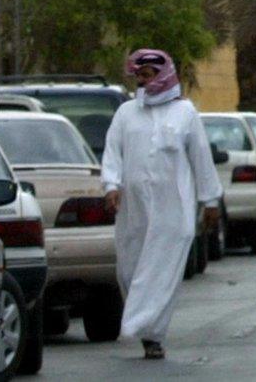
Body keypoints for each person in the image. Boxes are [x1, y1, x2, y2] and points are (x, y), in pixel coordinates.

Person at [102, 49, 223, 360]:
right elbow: (113, 152)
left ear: (165, 74)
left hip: (174, 208)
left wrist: (209, 201)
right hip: (134, 209)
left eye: (150, 75)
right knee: (131, 269)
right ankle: (142, 324)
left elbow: (201, 158)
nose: (144, 81)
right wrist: (111, 185)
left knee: (162, 270)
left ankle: (150, 334)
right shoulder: (126, 113)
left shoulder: (185, 114)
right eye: (140, 76)